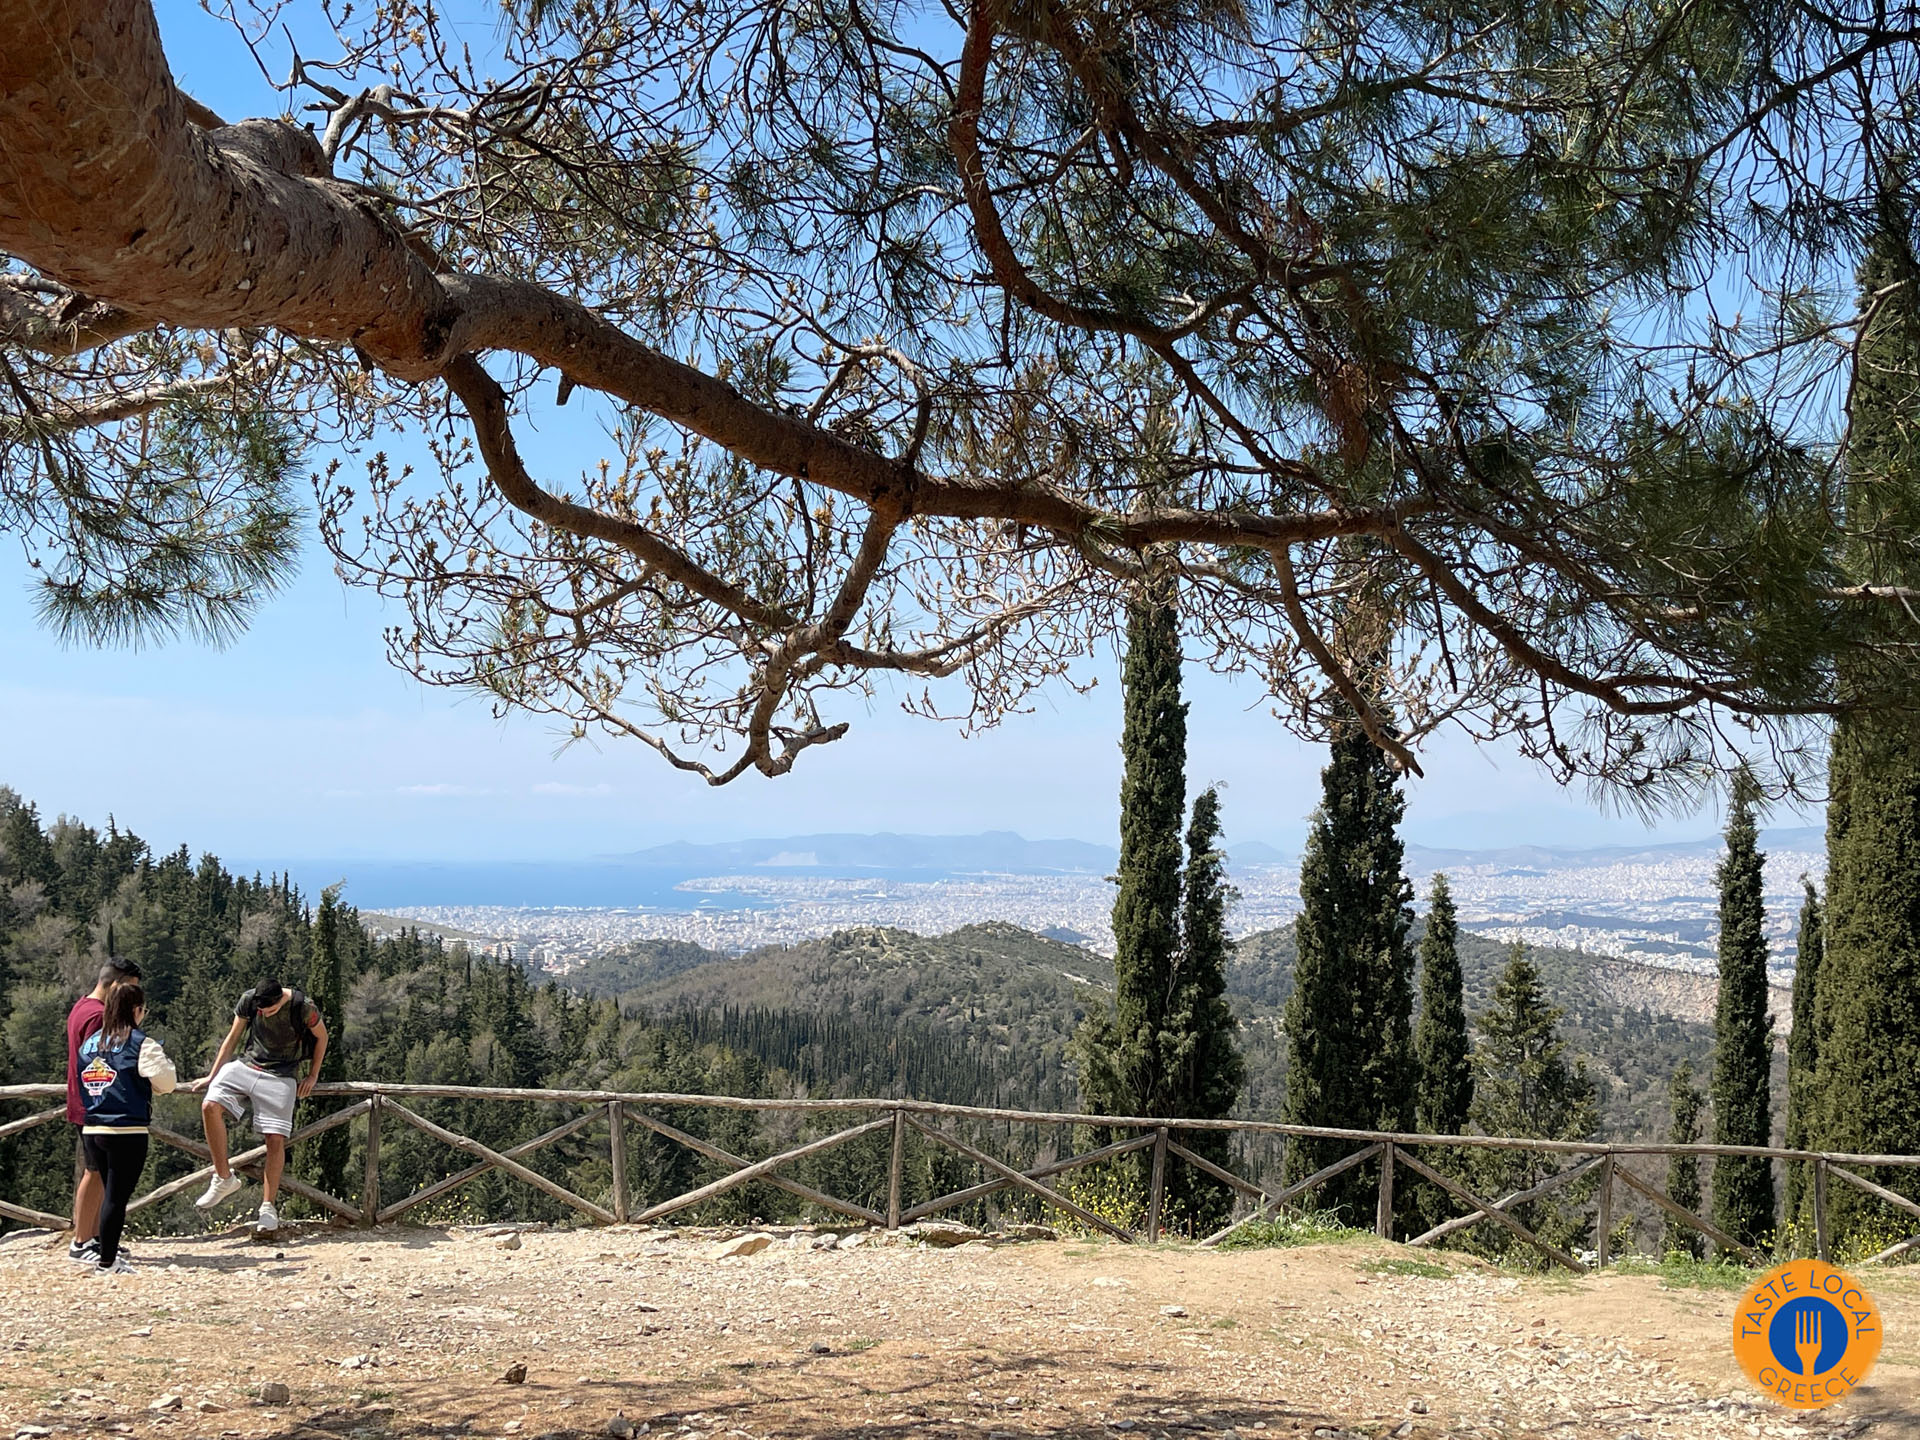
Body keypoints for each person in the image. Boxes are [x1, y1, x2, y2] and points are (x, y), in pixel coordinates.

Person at [190, 978, 328, 1233]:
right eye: (261, 1010)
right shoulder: (249, 1000)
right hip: (247, 1064)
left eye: (270, 1010)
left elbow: (322, 1037)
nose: (264, 1013)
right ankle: (223, 1177)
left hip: (283, 1073)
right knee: (209, 1105)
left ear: (280, 1000)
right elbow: (233, 1037)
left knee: (275, 1139)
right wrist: (212, 1075)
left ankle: (267, 1207)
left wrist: (313, 1075)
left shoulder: (303, 1006)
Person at [77, 981, 177, 1274]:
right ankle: (107, 1262)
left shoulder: (90, 1042)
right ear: (136, 1010)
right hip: (126, 1129)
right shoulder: (140, 1042)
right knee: (116, 1199)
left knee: (110, 1194)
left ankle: (104, 1255)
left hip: (93, 1127)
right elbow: (166, 1082)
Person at [64, 956, 142, 1265]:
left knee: (98, 1172)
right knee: (95, 1173)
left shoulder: (81, 1007)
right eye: (130, 990)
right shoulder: (98, 1017)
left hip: (85, 1103)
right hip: (95, 1106)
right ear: (116, 986)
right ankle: (81, 1241)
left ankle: (96, 1238)